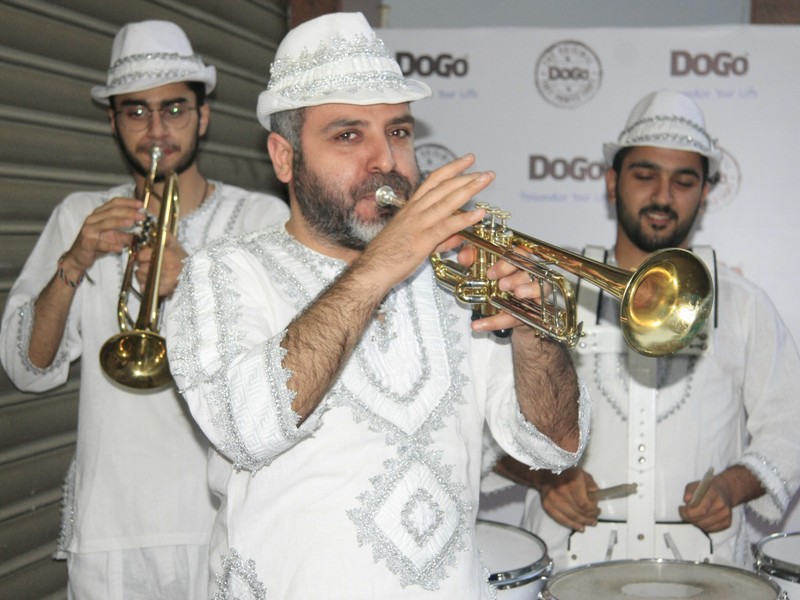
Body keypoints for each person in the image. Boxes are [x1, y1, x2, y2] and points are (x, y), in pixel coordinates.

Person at [165, 12, 590, 599]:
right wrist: (384, 263)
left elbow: (554, 444)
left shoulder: (460, 277)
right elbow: (246, 429)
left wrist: (533, 332)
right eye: (348, 135)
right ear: (284, 157)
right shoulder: (223, 272)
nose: (385, 160)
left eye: (398, 131)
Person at [0, 20, 289, 599]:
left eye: (174, 109)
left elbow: (285, 372)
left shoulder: (262, 220)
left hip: (223, 523)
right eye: (135, 111)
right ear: (112, 120)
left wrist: (193, 283)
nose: (156, 129)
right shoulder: (80, 215)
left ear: (203, 117)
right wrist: (75, 260)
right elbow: (27, 368)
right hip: (109, 528)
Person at [499, 89, 800, 571]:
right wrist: (544, 477)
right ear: (612, 181)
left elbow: (791, 424)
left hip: (707, 575)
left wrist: (731, 487)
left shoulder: (742, 303)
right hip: (569, 568)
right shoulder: (547, 289)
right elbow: (479, 418)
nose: (662, 196)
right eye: (645, 176)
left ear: (705, 193)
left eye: (684, 181)